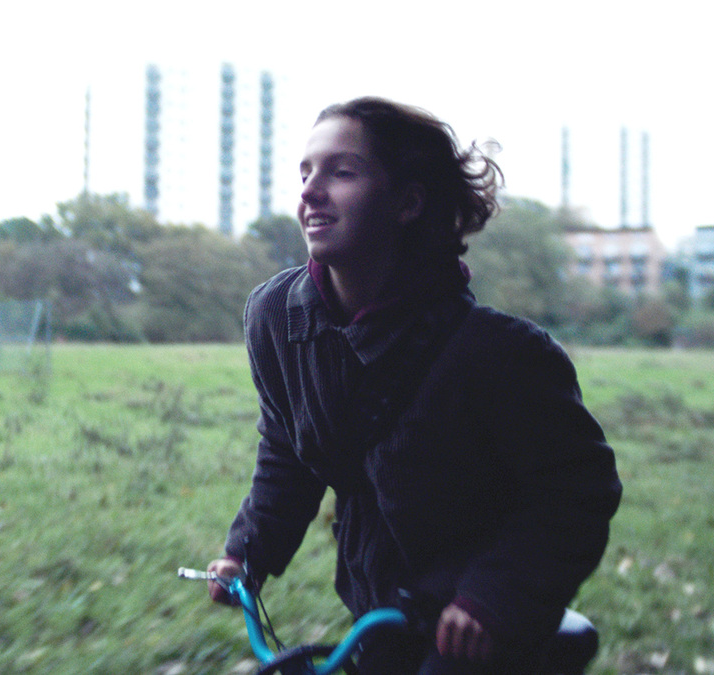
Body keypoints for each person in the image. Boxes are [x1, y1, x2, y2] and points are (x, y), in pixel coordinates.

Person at [206, 97, 621, 674]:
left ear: (408, 203)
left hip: (479, 623)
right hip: (376, 608)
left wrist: (493, 597)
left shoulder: (502, 354)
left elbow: (575, 492)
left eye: (341, 172)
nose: (310, 192)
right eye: (305, 173)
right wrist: (247, 554)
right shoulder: (275, 317)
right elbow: (288, 450)